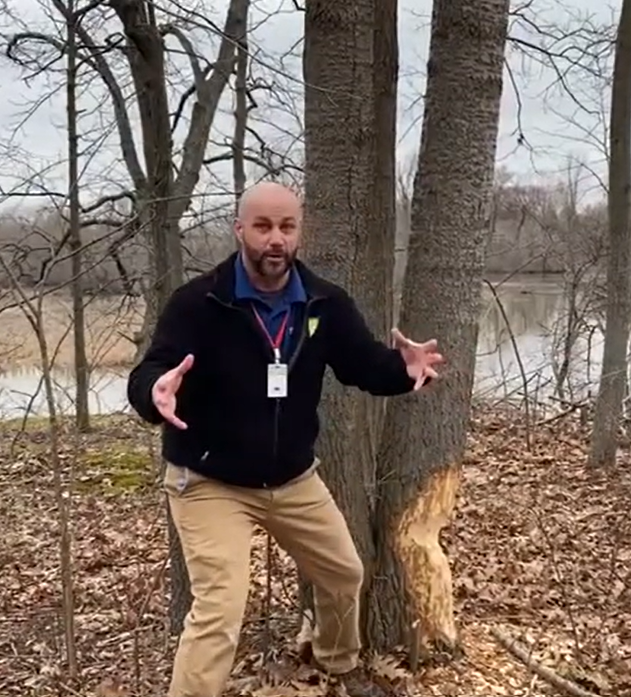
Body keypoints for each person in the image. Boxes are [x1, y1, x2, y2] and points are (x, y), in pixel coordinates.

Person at [126, 181, 445, 697]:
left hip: (292, 479)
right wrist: (153, 392)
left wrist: (405, 370)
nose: (275, 239)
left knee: (344, 573)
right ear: (239, 230)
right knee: (220, 609)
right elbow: (154, 370)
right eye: (263, 226)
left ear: (299, 232)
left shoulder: (323, 303)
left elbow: (364, 365)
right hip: (210, 482)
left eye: (286, 227)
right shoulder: (199, 303)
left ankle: (336, 665)